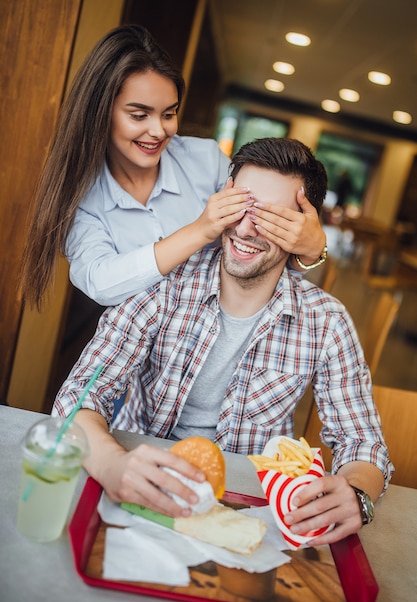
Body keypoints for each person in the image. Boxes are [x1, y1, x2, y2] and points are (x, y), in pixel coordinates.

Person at [53, 137, 392, 547]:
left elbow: (362, 440)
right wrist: (111, 465)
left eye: (271, 218)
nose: (247, 228)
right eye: (241, 207)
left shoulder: (326, 321)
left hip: (248, 509)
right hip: (136, 480)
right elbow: (79, 395)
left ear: (302, 226)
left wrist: (357, 493)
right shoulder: (165, 282)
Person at [20, 24, 326, 310]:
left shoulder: (205, 159)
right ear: (101, 113)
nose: (159, 131)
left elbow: (261, 253)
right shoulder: (82, 197)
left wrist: (310, 251)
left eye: (169, 114)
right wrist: (199, 230)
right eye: (139, 115)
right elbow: (100, 281)